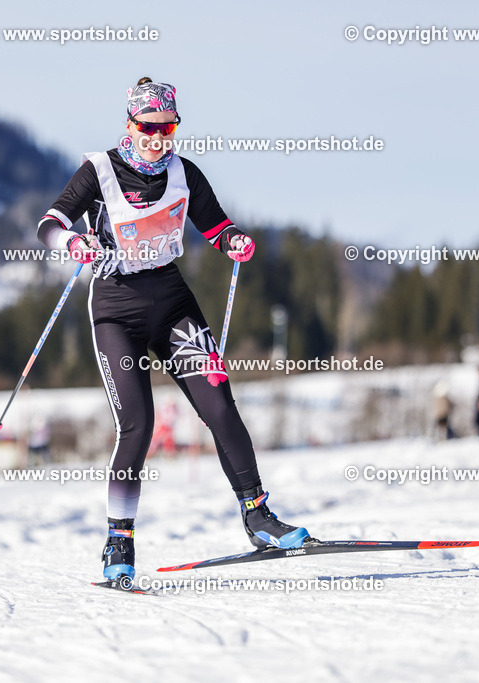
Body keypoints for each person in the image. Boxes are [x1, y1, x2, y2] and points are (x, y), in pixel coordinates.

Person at [36, 77, 310, 583]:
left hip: (172, 304)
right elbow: (49, 224)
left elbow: (216, 226)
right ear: (131, 125)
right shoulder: (98, 171)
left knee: (219, 404)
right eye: (149, 128)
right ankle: (119, 540)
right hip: (116, 309)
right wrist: (72, 244)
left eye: (169, 128)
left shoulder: (185, 173)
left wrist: (233, 243)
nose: (159, 138)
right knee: (136, 425)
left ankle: (258, 515)